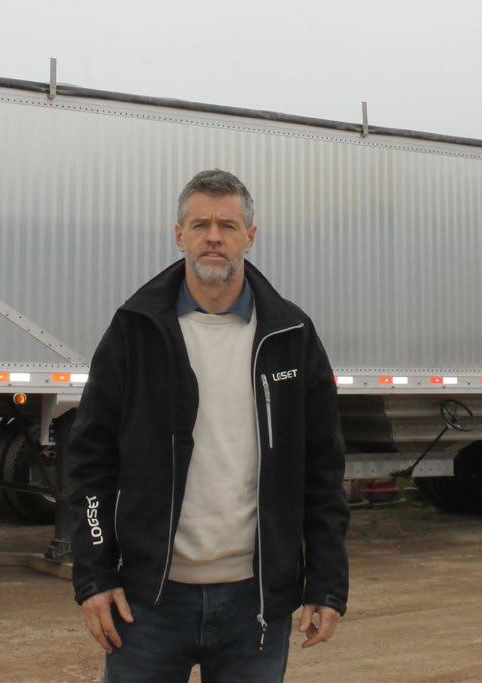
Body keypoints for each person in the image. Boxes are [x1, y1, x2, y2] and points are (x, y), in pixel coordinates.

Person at [66, 169, 349, 682]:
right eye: (200, 225)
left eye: (227, 225)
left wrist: (326, 582)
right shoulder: (136, 330)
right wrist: (94, 575)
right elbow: (90, 460)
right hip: (147, 605)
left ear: (250, 236)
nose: (213, 237)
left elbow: (322, 470)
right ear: (180, 235)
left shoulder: (290, 335)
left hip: (255, 605)